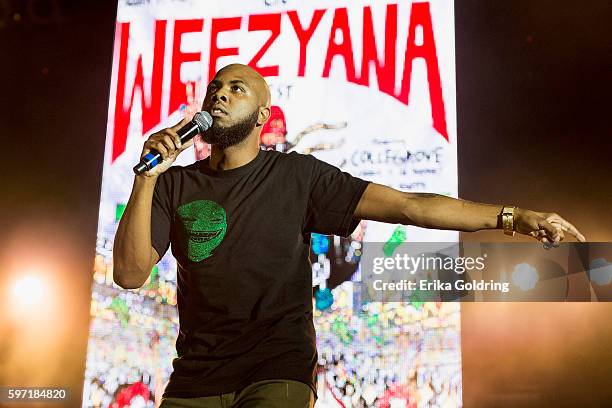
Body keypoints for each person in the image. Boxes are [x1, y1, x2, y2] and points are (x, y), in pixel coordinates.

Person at [113, 63, 585, 408]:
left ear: (262, 117)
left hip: (275, 371)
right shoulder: (173, 183)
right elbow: (131, 274)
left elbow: (408, 205)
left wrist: (511, 217)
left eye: (237, 89)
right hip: (194, 378)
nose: (219, 94)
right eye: (215, 87)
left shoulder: (297, 177)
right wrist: (147, 176)